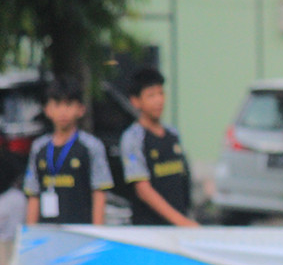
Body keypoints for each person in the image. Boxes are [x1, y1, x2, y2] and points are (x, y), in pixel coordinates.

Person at [24, 76, 113, 225]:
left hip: (81, 231)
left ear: (80, 109)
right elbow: (33, 194)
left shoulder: (91, 146)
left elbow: (99, 193)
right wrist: (31, 234)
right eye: (57, 105)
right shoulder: (39, 147)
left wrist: (97, 232)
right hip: (47, 232)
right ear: (47, 109)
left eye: (69, 104)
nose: (63, 112)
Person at [120, 67, 197, 226]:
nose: (158, 100)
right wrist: (182, 222)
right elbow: (143, 190)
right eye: (151, 95)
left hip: (179, 228)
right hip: (150, 231)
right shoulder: (133, 138)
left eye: (161, 93)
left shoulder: (172, 133)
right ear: (136, 101)